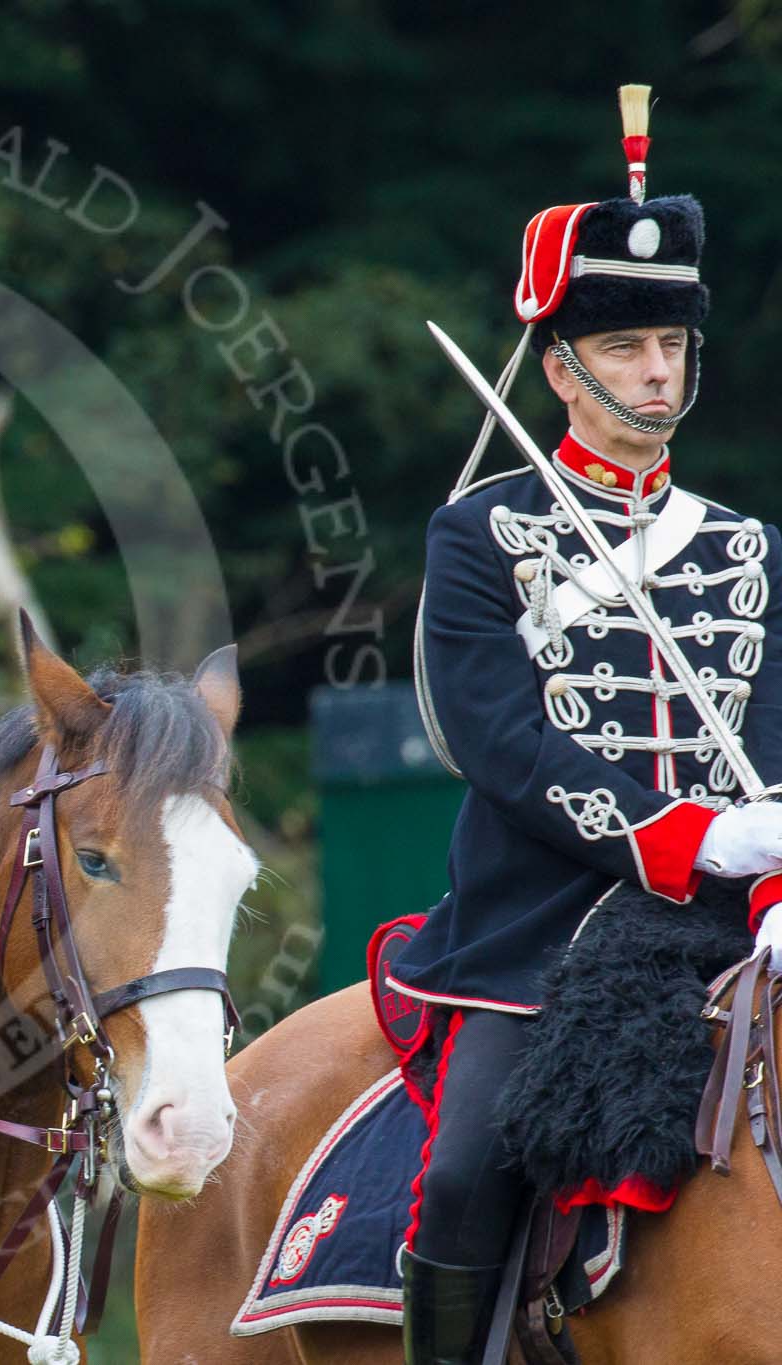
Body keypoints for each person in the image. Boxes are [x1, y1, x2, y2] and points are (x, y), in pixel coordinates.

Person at [394, 89, 782, 1364]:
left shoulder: (743, 548)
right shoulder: (482, 532)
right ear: (559, 367)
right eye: (624, 350)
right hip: (538, 928)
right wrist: (676, 841)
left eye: (670, 345)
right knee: (462, 1182)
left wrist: (766, 865)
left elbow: (768, 733)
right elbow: (497, 739)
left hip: (734, 917)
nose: (655, 372)